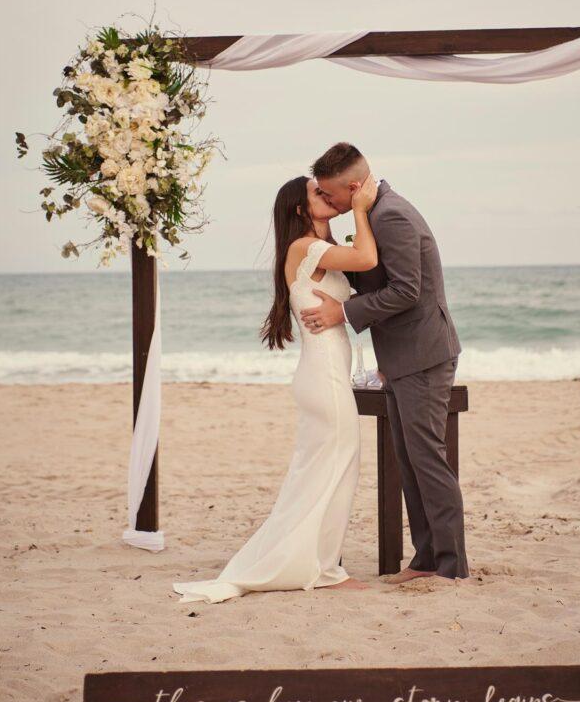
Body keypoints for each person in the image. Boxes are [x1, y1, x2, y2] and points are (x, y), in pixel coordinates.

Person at [172, 171, 380, 604]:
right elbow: (366, 259)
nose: (325, 194)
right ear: (301, 208)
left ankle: (321, 564)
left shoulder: (315, 247)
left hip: (323, 373)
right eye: (316, 192)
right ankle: (324, 570)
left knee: (325, 471)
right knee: (336, 469)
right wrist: (360, 208)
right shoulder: (305, 247)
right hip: (322, 375)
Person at [301, 142, 471, 585]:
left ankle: (450, 566)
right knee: (410, 461)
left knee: (427, 461)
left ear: (354, 188)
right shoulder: (374, 214)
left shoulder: (390, 216)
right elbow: (375, 274)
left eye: (332, 195)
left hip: (423, 355)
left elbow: (406, 290)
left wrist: (345, 312)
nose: (331, 203)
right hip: (402, 357)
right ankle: (426, 559)